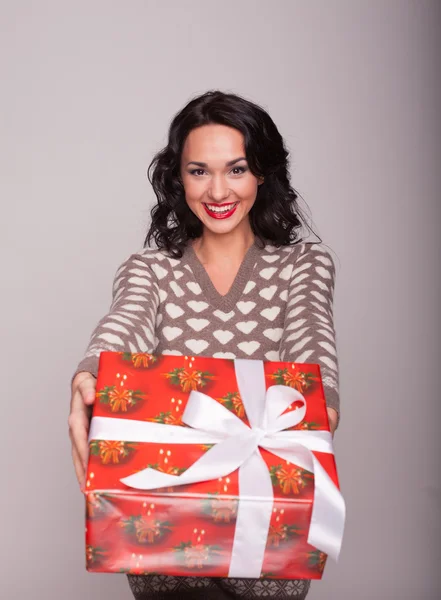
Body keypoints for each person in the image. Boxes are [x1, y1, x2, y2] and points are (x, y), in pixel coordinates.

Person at [68, 90, 341, 600]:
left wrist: (311, 417)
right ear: (178, 178)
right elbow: (123, 323)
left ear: (262, 172)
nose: (218, 189)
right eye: (199, 171)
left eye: (236, 169)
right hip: (166, 540)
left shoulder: (304, 265)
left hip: (268, 540)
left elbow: (314, 362)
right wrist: (88, 378)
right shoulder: (150, 270)